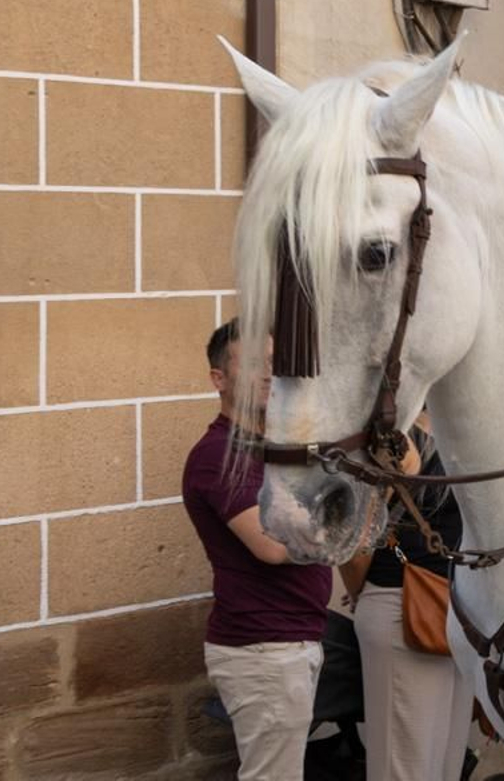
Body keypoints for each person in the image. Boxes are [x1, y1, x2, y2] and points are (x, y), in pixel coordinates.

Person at [182, 320, 334, 781]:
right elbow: (272, 545)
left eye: (274, 363)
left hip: (292, 639)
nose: (270, 374)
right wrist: (335, 526)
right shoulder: (218, 455)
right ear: (219, 379)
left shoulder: (277, 448)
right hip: (263, 648)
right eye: (253, 364)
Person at [338, 412, 472, 781]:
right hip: (453, 605)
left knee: (407, 766)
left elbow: (354, 548)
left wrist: (360, 593)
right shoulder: (464, 433)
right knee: (435, 763)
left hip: (405, 604)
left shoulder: (386, 441)